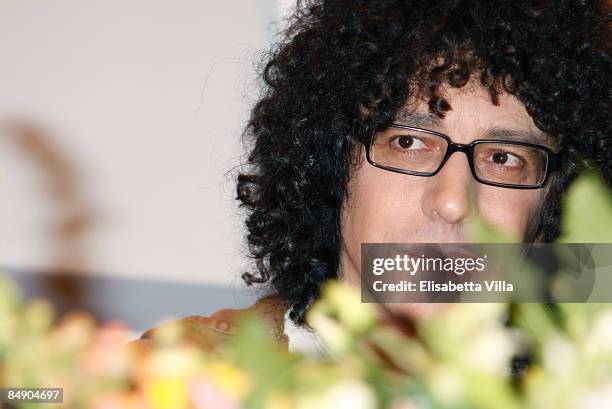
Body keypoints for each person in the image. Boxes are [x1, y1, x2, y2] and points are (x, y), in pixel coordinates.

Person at [135, 0, 611, 356]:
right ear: (330, 170)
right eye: (407, 142)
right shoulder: (176, 376)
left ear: (553, 209)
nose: (451, 202)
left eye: (503, 157)